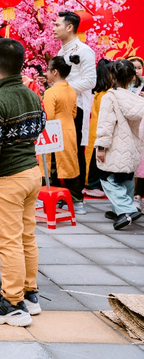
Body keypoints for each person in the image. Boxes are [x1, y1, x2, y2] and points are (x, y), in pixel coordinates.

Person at [0, 38, 45, 327]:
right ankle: (29, 292)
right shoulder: (31, 95)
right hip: (30, 172)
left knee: (9, 241)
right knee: (27, 236)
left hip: (7, 179)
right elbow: (39, 125)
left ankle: (12, 303)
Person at [95, 59, 144, 229]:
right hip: (132, 148)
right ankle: (119, 210)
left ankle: (127, 209)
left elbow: (105, 124)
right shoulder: (137, 100)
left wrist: (101, 147)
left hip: (115, 147)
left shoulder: (110, 97)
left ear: (112, 75)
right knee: (127, 179)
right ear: (132, 78)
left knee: (107, 180)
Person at [54, 11, 96, 199]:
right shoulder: (61, 51)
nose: (53, 29)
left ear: (69, 27)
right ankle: (61, 193)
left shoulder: (84, 50)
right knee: (59, 147)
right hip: (60, 106)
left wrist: (63, 87)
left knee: (75, 148)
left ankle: (76, 196)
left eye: (57, 25)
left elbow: (90, 81)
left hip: (76, 106)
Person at [44, 56, 82, 213]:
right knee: (70, 164)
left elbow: (49, 116)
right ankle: (77, 201)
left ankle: (56, 198)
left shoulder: (51, 92)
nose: (45, 73)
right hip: (69, 130)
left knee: (53, 166)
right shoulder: (71, 90)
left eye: (47, 69)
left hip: (54, 132)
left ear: (55, 72)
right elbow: (74, 113)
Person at [85, 59, 113, 196]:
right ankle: (93, 185)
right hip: (101, 130)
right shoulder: (105, 95)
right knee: (97, 159)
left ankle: (94, 184)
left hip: (96, 129)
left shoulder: (100, 93)